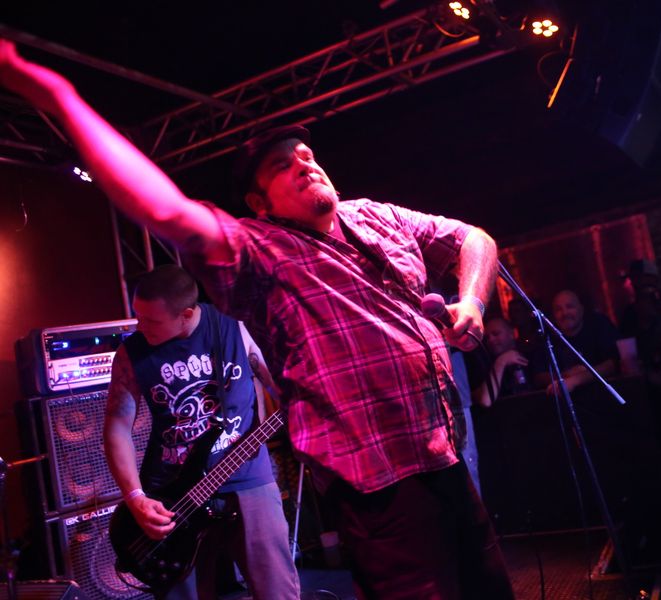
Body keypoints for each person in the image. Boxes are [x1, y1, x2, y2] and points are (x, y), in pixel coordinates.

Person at [0, 41, 513, 599]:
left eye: (307, 156)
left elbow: (474, 238)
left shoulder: (377, 216)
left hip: (445, 456)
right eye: (281, 166)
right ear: (260, 203)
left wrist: (473, 302)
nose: (303, 164)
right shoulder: (262, 250)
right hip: (378, 488)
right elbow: (166, 210)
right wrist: (61, 98)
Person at [104, 265, 299, 600]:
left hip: (246, 476)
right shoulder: (131, 353)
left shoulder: (235, 327)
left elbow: (285, 391)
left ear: (186, 314)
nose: (140, 327)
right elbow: (117, 427)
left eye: (151, 320)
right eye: (138, 316)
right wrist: (135, 497)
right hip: (172, 494)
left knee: (276, 590)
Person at [534, 289, 619, 395]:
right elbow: (538, 377)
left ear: (581, 309)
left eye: (570, 307)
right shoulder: (547, 336)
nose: (565, 313)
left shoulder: (598, 324)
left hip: (605, 393)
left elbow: (612, 364)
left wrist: (576, 379)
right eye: (558, 309)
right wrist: (565, 375)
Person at [472, 317, 534, 407]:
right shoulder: (485, 365)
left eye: (496, 334)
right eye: (487, 337)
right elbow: (485, 400)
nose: (491, 340)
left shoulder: (530, 355)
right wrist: (501, 361)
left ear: (512, 334)